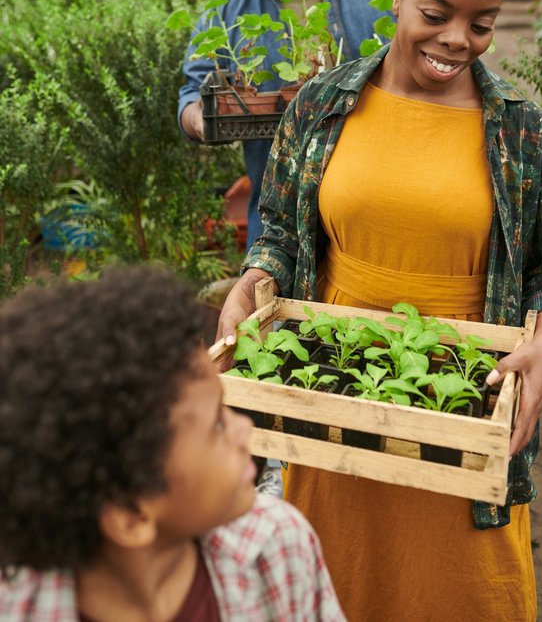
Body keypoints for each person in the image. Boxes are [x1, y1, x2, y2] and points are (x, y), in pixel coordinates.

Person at [216, 0, 542, 620]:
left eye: (482, 23)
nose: (458, 39)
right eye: (437, 12)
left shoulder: (521, 128)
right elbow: (285, 235)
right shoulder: (324, 108)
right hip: (335, 406)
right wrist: (252, 278)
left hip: (462, 421)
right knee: (344, 586)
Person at [0, 265, 345, 621]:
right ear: (131, 516)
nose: (243, 430)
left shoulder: (279, 547)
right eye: (216, 426)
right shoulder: (17, 607)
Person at [178, 0, 393, 247]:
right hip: (282, 233)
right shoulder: (222, 14)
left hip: (388, 211)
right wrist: (201, 119)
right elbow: (192, 93)